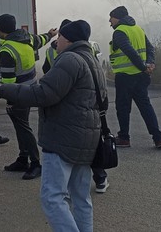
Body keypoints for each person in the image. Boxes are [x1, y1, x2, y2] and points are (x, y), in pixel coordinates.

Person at [0, 20, 101, 232]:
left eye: (59, 39)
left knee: (52, 197)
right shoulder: (91, 60)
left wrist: (5, 90)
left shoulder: (69, 60)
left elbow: (43, 94)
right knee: (80, 197)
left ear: (68, 40)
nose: (56, 43)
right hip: (86, 138)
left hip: (63, 138)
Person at [42, 19, 110, 194]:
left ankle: (76, 185)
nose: (59, 39)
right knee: (89, 149)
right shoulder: (89, 52)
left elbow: (46, 75)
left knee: (54, 194)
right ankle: (100, 178)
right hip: (90, 109)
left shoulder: (60, 53)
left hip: (70, 108)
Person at [0, 13, 57, 180]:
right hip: (31, 89)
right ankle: (23, 159)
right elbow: (41, 40)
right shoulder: (27, 38)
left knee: (23, 127)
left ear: (1, 30)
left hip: (19, 95)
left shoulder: (7, 50)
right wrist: (50, 34)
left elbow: (8, 82)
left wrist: (9, 101)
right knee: (21, 126)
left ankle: (35, 163)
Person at [108, 6, 161, 149]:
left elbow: (130, 52)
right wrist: (150, 64)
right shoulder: (138, 29)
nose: (109, 21)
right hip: (141, 76)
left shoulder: (120, 32)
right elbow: (150, 48)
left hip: (125, 76)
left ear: (118, 18)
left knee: (122, 108)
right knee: (145, 106)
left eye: (111, 18)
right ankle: (158, 138)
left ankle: (124, 138)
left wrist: (143, 66)